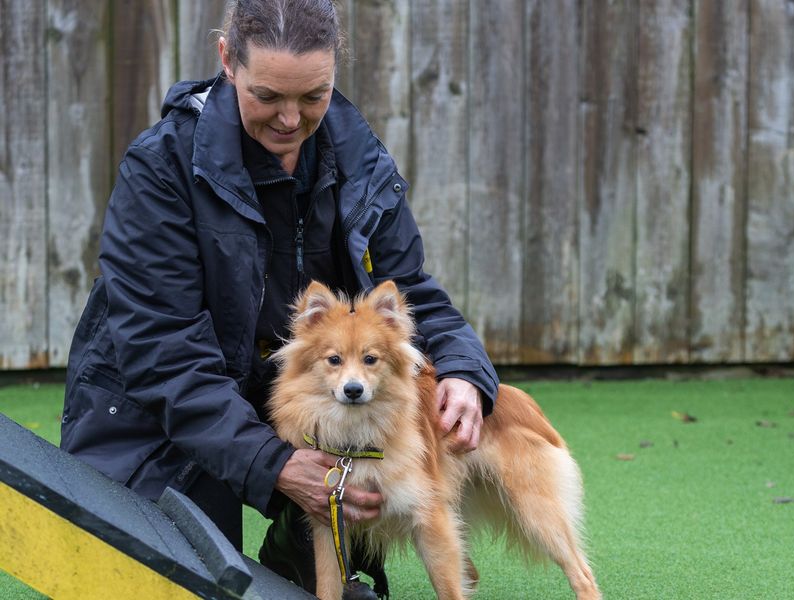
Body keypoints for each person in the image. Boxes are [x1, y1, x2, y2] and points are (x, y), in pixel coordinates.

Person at [60, 0, 499, 597]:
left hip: (287, 391)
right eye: (267, 96)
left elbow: (410, 286)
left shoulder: (361, 160)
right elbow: (161, 350)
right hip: (154, 413)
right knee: (175, 583)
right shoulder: (160, 167)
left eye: (313, 96)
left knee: (354, 425)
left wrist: (467, 373)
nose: (290, 119)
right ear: (226, 61)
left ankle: (301, 544)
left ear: (335, 75)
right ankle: (291, 515)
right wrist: (274, 465)